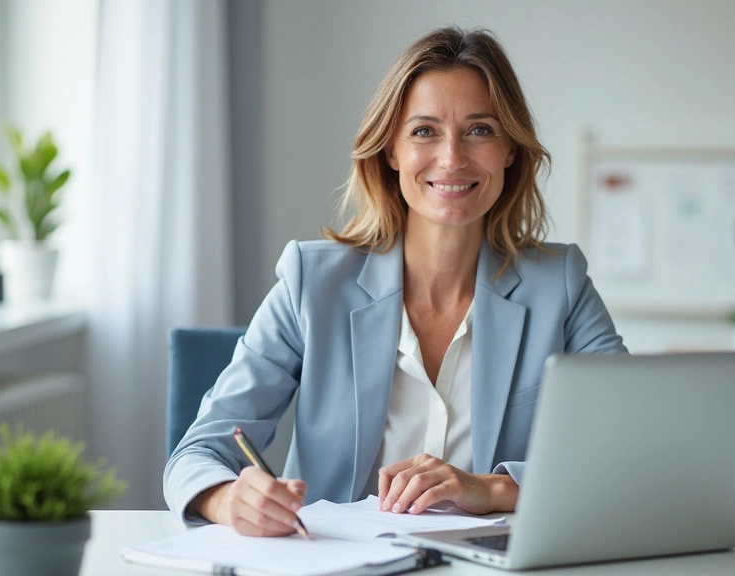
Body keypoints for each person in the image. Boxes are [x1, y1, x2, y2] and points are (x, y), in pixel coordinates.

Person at [164, 26, 627, 537]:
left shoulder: (559, 285)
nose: (452, 158)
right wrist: (229, 499)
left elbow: (627, 451)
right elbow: (198, 451)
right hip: (338, 564)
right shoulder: (311, 283)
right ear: (390, 151)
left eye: (480, 130)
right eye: (424, 131)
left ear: (510, 150)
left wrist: (491, 489)